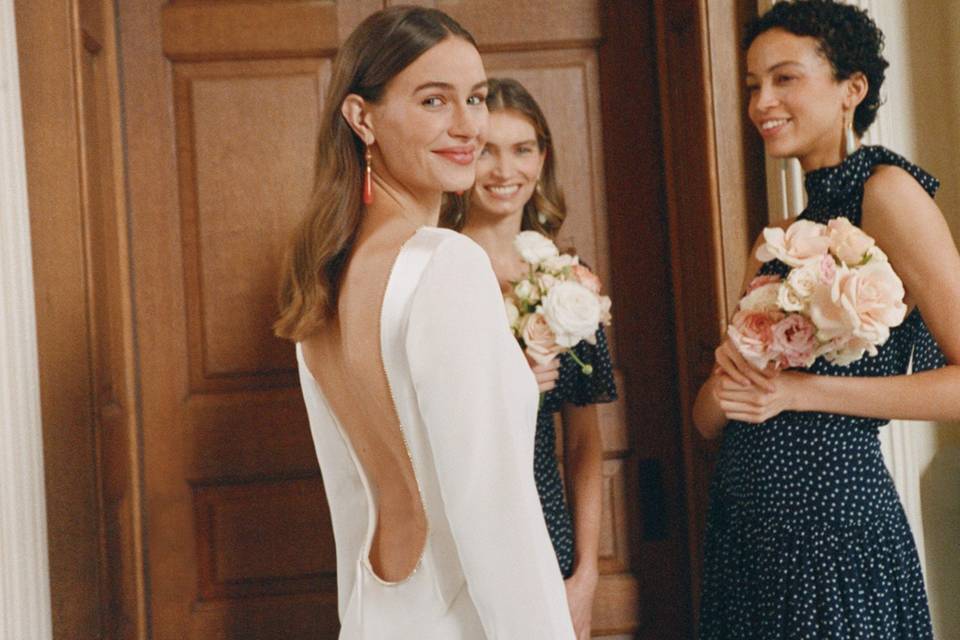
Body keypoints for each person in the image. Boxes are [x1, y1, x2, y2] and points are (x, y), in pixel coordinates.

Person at [274, 8, 575, 639]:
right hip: (456, 619)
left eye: (476, 97)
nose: (468, 126)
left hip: (372, 613)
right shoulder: (445, 264)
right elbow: (494, 516)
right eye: (435, 100)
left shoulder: (322, 279)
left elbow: (351, 505)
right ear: (363, 118)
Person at [692, 1, 960, 638]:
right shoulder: (781, 237)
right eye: (754, 85)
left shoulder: (887, 192)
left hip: (835, 537)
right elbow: (708, 419)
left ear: (852, 88)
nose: (762, 102)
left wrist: (798, 389)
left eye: (785, 79)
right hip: (746, 540)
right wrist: (729, 379)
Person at [442, 77, 617, 640]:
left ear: (542, 160)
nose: (503, 170)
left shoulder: (570, 283)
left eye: (522, 150)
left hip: (546, 535)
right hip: (455, 531)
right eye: (487, 150)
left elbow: (585, 442)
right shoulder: (435, 270)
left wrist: (585, 572)